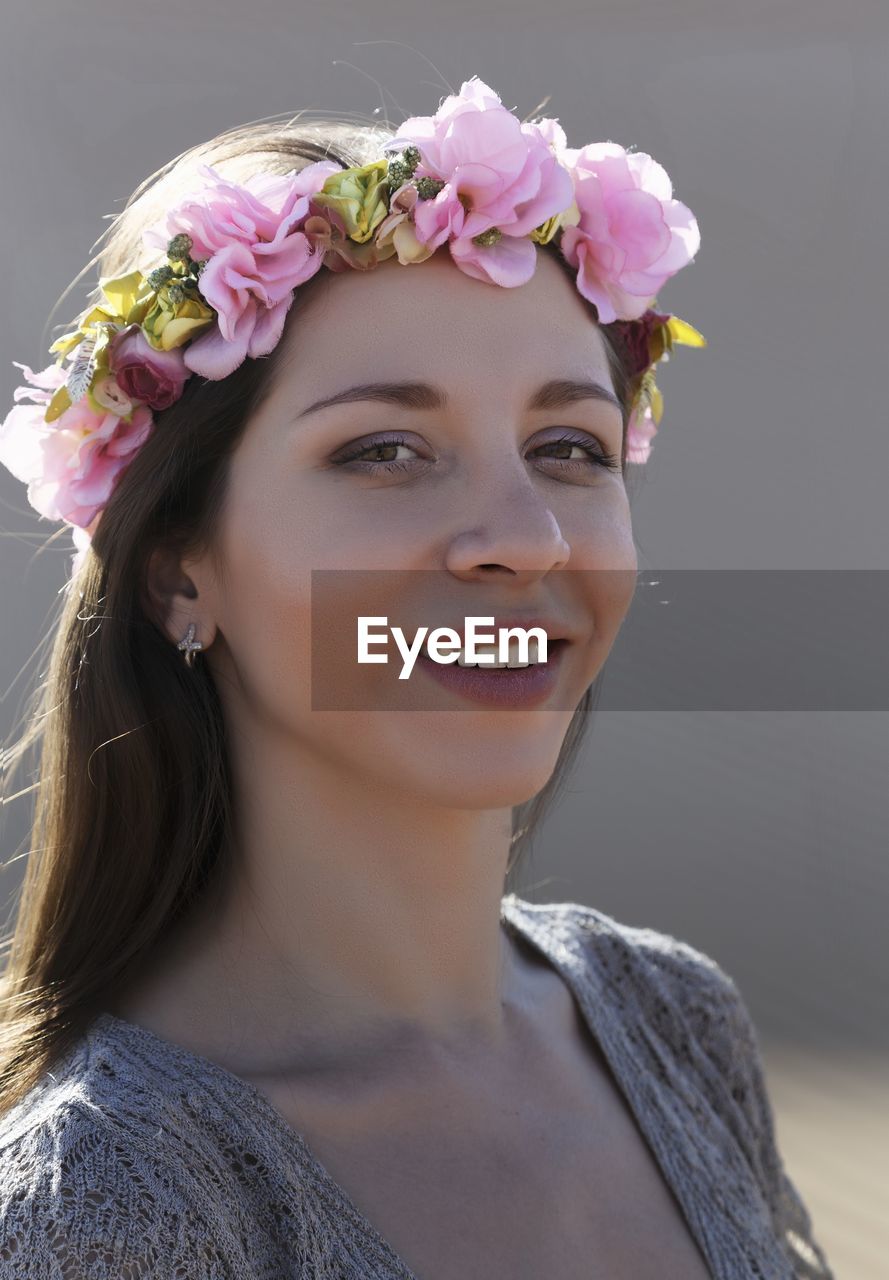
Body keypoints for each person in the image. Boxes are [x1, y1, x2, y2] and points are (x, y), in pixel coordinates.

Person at [0, 78, 834, 1279]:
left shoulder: (671, 1017)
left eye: (568, 448)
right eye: (383, 450)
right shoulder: (104, 1208)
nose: (525, 536)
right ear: (178, 571)